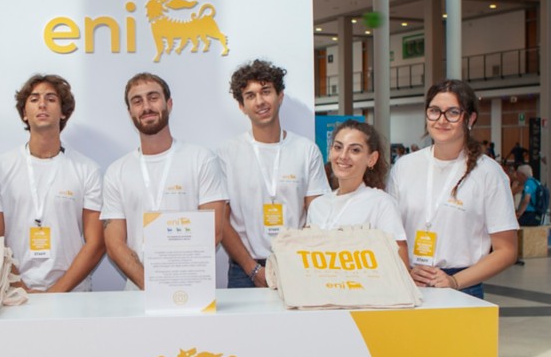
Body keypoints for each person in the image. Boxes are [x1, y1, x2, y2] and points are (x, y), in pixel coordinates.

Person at [388, 79, 518, 299]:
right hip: (408, 280)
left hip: (463, 285)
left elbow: (507, 250)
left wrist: (454, 281)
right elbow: (389, 233)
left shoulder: (489, 173)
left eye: (453, 112)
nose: (442, 120)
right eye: (434, 111)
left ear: (470, 118)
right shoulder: (404, 166)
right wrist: (405, 271)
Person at [101, 72, 226, 290]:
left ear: (169, 104)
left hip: (191, 289)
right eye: (137, 101)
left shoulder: (201, 159)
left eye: (153, 97)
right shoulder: (117, 171)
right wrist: (152, 285)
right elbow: (114, 243)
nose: (146, 106)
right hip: (138, 292)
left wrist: (175, 281)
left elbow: (213, 230)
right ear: (130, 111)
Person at [0, 74, 104, 292]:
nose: (42, 104)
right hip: (14, 292)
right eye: (34, 99)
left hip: (72, 294)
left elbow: (95, 243)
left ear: (64, 112)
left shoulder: (88, 169)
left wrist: (56, 293)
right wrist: (20, 286)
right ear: (24, 114)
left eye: (51, 98)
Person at [218, 59, 330, 288]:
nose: (259, 101)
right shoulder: (227, 153)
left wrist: (293, 261)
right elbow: (221, 219)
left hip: (298, 265)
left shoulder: (306, 150)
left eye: (266, 91)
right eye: (250, 96)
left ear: (280, 96)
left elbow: (318, 214)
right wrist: (252, 269)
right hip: (244, 270)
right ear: (241, 106)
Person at [307, 120, 409, 267]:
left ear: (372, 159)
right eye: (338, 147)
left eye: (355, 150)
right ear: (330, 152)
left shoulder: (381, 204)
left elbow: (401, 267)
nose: (343, 156)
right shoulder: (317, 206)